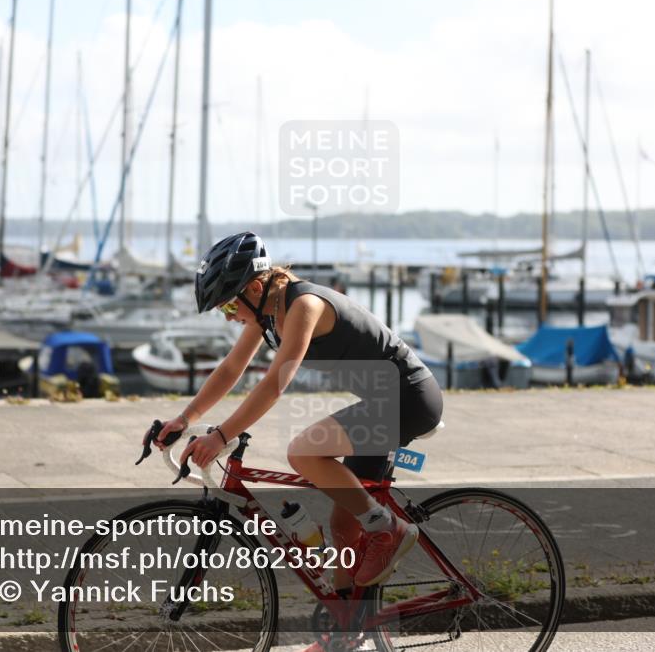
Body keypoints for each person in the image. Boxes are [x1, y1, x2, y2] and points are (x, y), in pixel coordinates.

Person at [155, 232, 443, 594]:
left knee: (304, 452)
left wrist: (222, 436)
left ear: (255, 288)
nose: (228, 318)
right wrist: (185, 419)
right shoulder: (267, 312)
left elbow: (274, 384)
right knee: (344, 525)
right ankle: (347, 623)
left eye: (228, 307)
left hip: (409, 398)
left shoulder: (304, 306)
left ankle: (390, 529)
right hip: (383, 401)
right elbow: (231, 369)